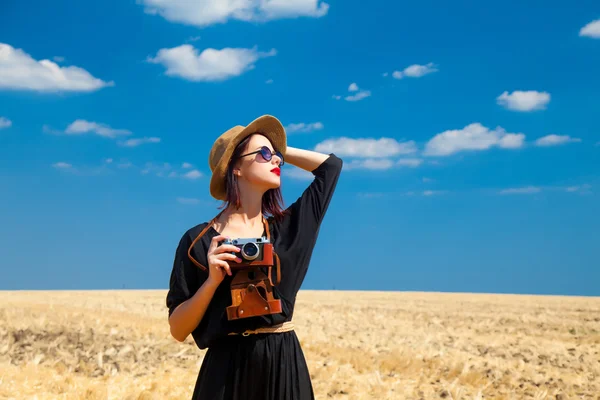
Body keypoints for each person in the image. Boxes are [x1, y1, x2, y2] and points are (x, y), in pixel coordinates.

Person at [166, 114, 343, 399]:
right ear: (234, 167)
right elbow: (178, 329)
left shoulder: (289, 229)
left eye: (277, 157)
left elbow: (330, 167)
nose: (275, 161)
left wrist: (277, 150)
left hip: (283, 363)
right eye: (263, 153)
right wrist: (211, 282)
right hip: (225, 371)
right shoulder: (197, 242)